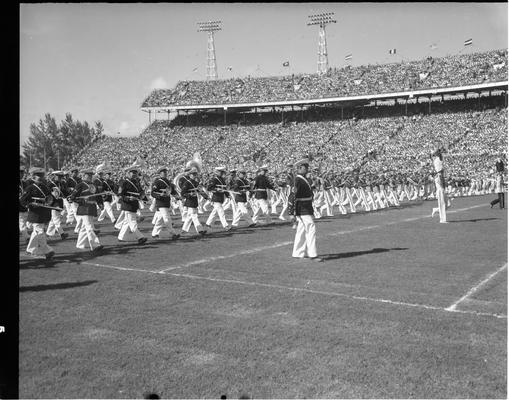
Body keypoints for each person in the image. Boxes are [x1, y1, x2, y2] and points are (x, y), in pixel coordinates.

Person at [289, 159, 323, 261]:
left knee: (301, 230)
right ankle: (312, 254)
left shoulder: (302, 179)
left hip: (305, 207)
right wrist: (291, 212)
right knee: (310, 228)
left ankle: (298, 253)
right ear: (300, 168)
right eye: (305, 167)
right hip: (302, 208)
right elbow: (292, 196)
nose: (307, 169)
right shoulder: (297, 180)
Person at [19, 167, 55, 259]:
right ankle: (47, 251)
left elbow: (50, 198)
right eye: (39, 176)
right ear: (34, 176)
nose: (41, 177)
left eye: (42, 175)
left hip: (43, 212)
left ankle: (30, 250)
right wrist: (30, 205)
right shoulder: (30, 187)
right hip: (35, 213)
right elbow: (23, 200)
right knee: (39, 231)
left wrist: (56, 204)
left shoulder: (45, 187)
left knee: (36, 231)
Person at [69, 168, 104, 252]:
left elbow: (98, 195)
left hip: (91, 207)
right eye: (89, 175)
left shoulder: (93, 184)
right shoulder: (80, 185)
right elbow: (73, 197)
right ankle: (95, 245)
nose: (90, 177)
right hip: (84, 207)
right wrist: (81, 200)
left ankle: (80, 244)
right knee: (89, 226)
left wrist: (100, 203)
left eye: (91, 175)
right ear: (83, 176)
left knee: (85, 227)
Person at [117, 164, 148, 244]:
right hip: (127, 205)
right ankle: (140, 237)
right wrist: (128, 198)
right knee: (132, 222)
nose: (134, 174)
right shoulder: (124, 182)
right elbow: (120, 194)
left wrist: (143, 197)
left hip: (134, 204)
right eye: (132, 172)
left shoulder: (136, 182)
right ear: (128, 173)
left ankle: (121, 237)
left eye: (135, 173)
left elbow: (140, 192)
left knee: (127, 222)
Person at [151, 166, 180, 240]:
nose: (165, 173)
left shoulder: (168, 181)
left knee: (160, 220)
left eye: (166, 172)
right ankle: (173, 233)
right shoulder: (157, 182)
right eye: (164, 172)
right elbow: (153, 193)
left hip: (167, 202)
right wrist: (159, 195)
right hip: (161, 202)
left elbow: (172, 191)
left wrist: (177, 197)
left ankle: (155, 233)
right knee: (167, 218)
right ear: (160, 173)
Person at [180, 167, 207, 235]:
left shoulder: (196, 183)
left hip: (194, 200)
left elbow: (200, 191)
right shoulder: (187, 183)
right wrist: (189, 195)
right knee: (194, 216)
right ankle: (200, 230)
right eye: (193, 174)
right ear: (190, 175)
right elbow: (183, 193)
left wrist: (207, 197)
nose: (195, 176)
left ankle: (184, 230)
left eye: (195, 174)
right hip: (190, 200)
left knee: (189, 216)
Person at [205, 166, 232, 231]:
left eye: (222, 172)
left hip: (221, 198)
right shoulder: (214, 179)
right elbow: (209, 188)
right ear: (217, 172)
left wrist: (228, 195)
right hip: (216, 198)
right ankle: (225, 226)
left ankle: (208, 223)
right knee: (221, 212)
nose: (222, 173)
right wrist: (216, 189)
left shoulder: (222, 180)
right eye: (221, 172)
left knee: (215, 212)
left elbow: (225, 189)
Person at [430, 149, 448, 223]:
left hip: (440, 178)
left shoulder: (438, 159)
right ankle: (442, 219)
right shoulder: (437, 160)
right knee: (442, 202)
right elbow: (440, 173)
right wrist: (442, 185)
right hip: (439, 179)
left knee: (448, 204)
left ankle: (436, 209)